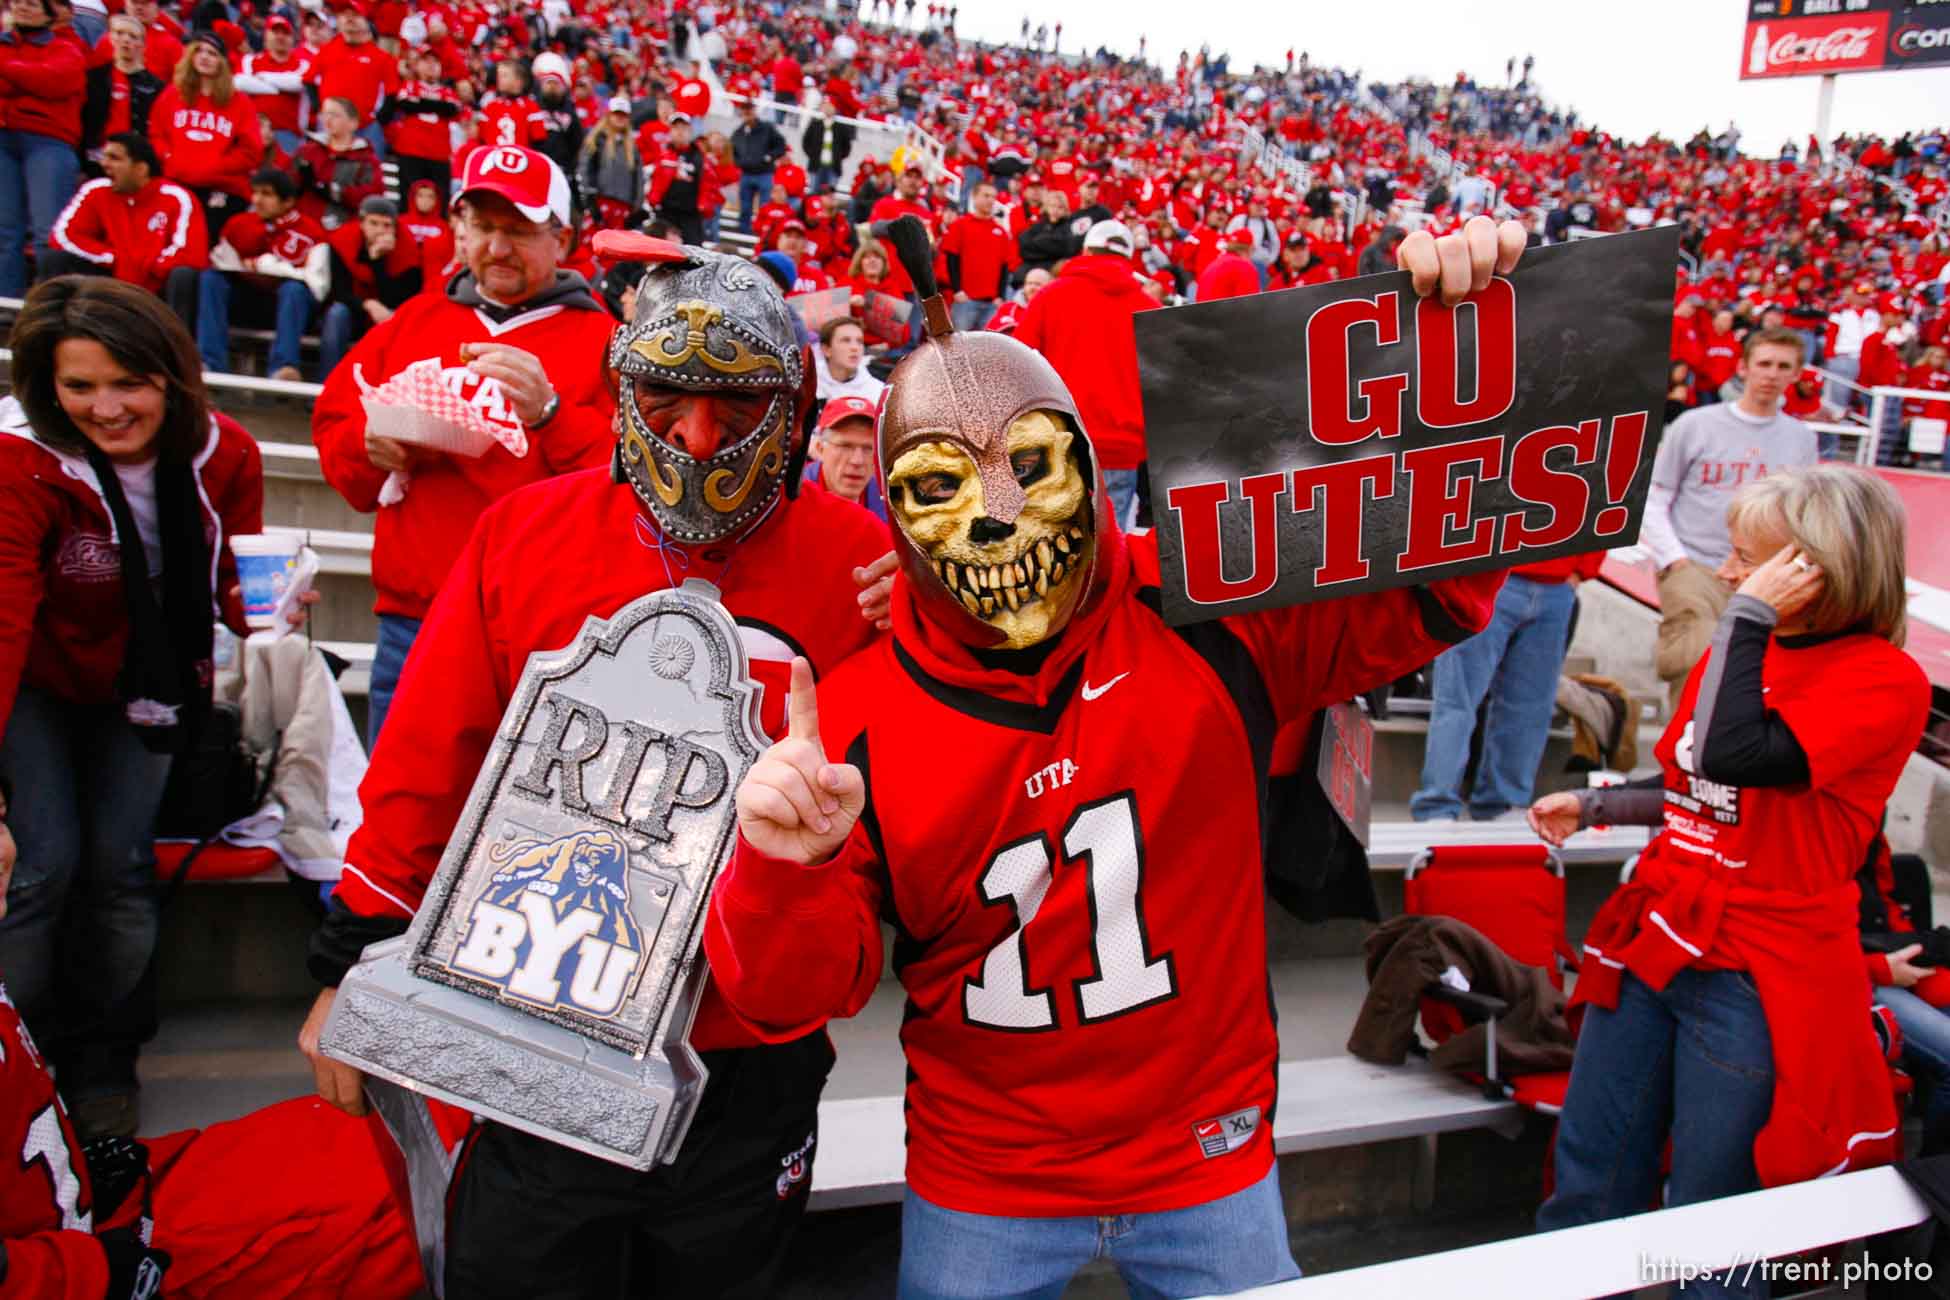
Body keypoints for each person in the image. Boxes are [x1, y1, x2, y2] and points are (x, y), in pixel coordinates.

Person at [705, 214, 1525, 1300]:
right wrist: (780, 873)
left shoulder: (1206, 609)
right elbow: (792, 994)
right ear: (896, 520)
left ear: (1091, 467)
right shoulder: (851, 720)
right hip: (987, 1175)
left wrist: (1462, 356)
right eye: (942, 488)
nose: (997, 520)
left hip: (1206, 1154)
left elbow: (1439, 586)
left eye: (1029, 467)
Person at [298, 233, 894, 1298]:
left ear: (795, 408)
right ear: (620, 394)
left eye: (737, 406)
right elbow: (428, 765)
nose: (697, 437)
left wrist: (938, 625)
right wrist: (353, 965)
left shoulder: (866, 573)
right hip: (533, 1020)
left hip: (749, 1045)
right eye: (666, 398)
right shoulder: (524, 534)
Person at [1531, 466, 1929, 1298]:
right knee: (1592, 1169)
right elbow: (1696, 781)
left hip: (1756, 971)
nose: (1726, 572)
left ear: (1816, 569)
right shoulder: (1743, 644)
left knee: (1712, 1223)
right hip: (1660, 935)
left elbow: (1738, 756)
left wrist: (1745, 618)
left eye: (1747, 557)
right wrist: (1600, 804)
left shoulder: (1883, 679)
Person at [0, 277, 265, 1140]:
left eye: (129, 382)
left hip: (147, 685)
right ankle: (18, 1060)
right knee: (40, 865)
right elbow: (2, 616)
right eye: (80, 386)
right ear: (47, 387)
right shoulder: (18, 457)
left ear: (171, 377)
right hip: (34, 679)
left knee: (119, 867)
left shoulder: (224, 452)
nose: (107, 409)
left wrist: (265, 609)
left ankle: (104, 1061)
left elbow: (236, 587)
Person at [310, 144, 617, 746]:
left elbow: (634, 484)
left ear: (562, 239)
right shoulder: (414, 321)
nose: (497, 248)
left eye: (518, 231)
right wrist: (369, 446)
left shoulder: (606, 341)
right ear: (460, 230)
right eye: (483, 227)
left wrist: (553, 415)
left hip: (545, 634)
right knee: (399, 800)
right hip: (414, 621)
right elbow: (334, 436)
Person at [1640, 326, 1817, 704]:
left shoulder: (1801, 439)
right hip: (1696, 563)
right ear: (1743, 367)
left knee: (1748, 674)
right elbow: (1656, 494)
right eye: (1764, 363)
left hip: (1761, 574)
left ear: (1796, 374)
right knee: (1695, 660)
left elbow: (1802, 513)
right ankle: (1683, 740)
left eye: (1783, 366)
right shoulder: (1695, 425)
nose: (1771, 374)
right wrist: (1674, 559)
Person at [1409, 550, 1605, 823]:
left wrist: (1581, 570)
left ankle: (1502, 803)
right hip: (1485, 575)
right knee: (1457, 700)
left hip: (1555, 586)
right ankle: (1436, 805)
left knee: (1529, 708)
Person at [1015, 219, 1158, 528]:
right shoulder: (1148, 307)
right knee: (1111, 546)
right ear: (1129, 258)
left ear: (1086, 251)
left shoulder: (1051, 296)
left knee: (1056, 541)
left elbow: (1017, 364)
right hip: (1122, 446)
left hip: (1059, 439)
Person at [44, 133, 205, 325]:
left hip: (156, 283)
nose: (104, 164)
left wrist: (143, 267)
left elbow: (191, 254)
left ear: (141, 168)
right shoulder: (96, 190)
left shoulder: (175, 197)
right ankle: (51, 328)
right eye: (104, 156)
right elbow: (62, 236)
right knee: (55, 257)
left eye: (114, 158)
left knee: (184, 275)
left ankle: (175, 337)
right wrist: (112, 258)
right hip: (110, 276)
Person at [197, 167, 327, 381]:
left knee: (293, 290)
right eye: (255, 193)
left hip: (290, 308)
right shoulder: (239, 224)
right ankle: (210, 362)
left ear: (288, 201)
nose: (257, 200)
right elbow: (221, 261)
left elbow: (318, 285)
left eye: (266, 194)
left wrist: (269, 267)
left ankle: (283, 368)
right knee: (211, 279)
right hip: (247, 301)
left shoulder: (311, 232)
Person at [0, 0, 88, 297]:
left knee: (47, 233)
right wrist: (28, 77)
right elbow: (39, 80)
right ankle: (6, 305)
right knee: (5, 231)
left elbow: (53, 82)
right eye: (18, 1)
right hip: (3, 138)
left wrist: (8, 70)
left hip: (49, 141)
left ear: (48, 13)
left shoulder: (67, 49)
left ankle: (50, 303)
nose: (23, 7)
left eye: (32, 3)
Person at [150, 30, 262, 242]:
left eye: (212, 53)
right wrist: (169, 157)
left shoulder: (239, 102)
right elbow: (156, 133)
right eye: (199, 51)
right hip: (177, 181)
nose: (204, 57)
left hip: (221, 188)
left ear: (222, 62)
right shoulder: (172, 94)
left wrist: (216, 166)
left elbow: (251, 150)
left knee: (205, 241)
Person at [319, 195, 421, 377]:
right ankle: (327, 379)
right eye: (373, 223)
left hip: (388, 313)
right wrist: (368, 304)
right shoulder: (343, 241)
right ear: (362, 223)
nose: (380, 231)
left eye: (387, 225)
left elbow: (401, 298)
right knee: (337, 313)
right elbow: (339, 291)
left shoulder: (408, 250)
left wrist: (379, 261)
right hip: (354, 311)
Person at [384, 45, 461, 210]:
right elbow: (406, 105)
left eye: (435, 62)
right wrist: (437, 105)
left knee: (440, 198)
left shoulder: (448, 91)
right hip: (411, 150)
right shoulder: (410, 86)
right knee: (408, 195)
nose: (431, 65)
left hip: (439, 153)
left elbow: (452, 109)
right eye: (426, 61)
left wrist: (421, 103)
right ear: (417, 65)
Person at [295, 96, 383, 230]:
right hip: (304, 226)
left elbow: (371, 196)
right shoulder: (308, 151)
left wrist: (332, 190)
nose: (327, 119)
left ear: (353, 123)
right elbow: (286, 185)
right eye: (324, 114)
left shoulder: (365, 159)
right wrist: (299, 180)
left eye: (335, 115)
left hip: (344, 228)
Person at [940, 181, 1018, 332]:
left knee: (987, 345)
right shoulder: (960, 225)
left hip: (991, 303)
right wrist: (957, 290)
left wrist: (1000, 296)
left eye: (993, 197)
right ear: (974, 197)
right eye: (986, 196)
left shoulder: (1000, 232)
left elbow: (1004, 266)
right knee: (960, 344)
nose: (990, 200)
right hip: (965, 300)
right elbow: (952, 259)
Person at [234, 13, 310, 158]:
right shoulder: (250, 61)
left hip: (288, 134)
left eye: (285, 33)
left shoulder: (303, 65)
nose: (280, 37)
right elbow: (240, 83)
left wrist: (263, 78)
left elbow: (298, 83)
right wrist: (281, 88)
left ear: (293, 38)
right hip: (253, 131)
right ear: (266, 36)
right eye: (275, 32)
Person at [803, 393, 887, 519]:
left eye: (868, 449)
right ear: (820, 449)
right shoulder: (792, 495)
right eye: (845, 446)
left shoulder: (889, 500)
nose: (857, 461)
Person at [579, 96, 645, 230]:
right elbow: (586, 169)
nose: (620, 118)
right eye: (616, 114)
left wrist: (636, 206)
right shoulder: (597, 140)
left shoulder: (632, 147)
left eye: (623, 115)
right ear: (608, 115)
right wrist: (590, 198)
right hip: (599, 202)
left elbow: (638, 177)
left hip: (624, 206)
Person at [99, 13, 164, 142]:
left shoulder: (157, 86)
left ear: (143, 45)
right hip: (99, 149)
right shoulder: (96, 77)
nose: (126, 40)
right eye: (119, 33)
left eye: (133, 36)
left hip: (137, 149)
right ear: (110, 38)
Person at [648, 113, 707, 245]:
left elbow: (707, 183)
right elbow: (656, 180)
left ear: (690, 131)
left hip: (690, 214)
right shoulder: (663, 154)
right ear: (670, 131)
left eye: (683, 128)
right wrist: (653, 200)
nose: (680, 132)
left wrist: (703, 206)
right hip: (666, 211)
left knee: (692, 250)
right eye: (676, 128)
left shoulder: (700, 157)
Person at [731, 98, 787, 234]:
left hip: (764, 173)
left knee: (765, 206)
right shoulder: (738, 132)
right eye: (745, 109)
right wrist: (739, 163)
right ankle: (744, 231)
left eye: (749, 109)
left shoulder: (767, 128)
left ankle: (763, 231)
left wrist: (769, 157)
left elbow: (781, 146)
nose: (747, 112)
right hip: (746, 173)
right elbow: (732, 152)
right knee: (745, 205)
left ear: (754, 110)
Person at [814, 316, 885, 403]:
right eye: (846, 340)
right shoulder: (809, 386)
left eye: (859, 341)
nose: (855, 348)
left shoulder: (878, 392)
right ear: (826, 350)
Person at [1195, 227, 1260, 302]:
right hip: (1222, 308)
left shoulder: (1216, 262)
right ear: (1250, 248)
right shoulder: (1244, 266)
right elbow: (1250, 303)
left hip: (1203, 308)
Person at [982, 264, 1049, 335]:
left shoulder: (1051, 312)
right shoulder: (1008, 308)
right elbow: (989, 334)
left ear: (1049, 286)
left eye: (1038, 284)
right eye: (1029, 283)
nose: (1032, 287)